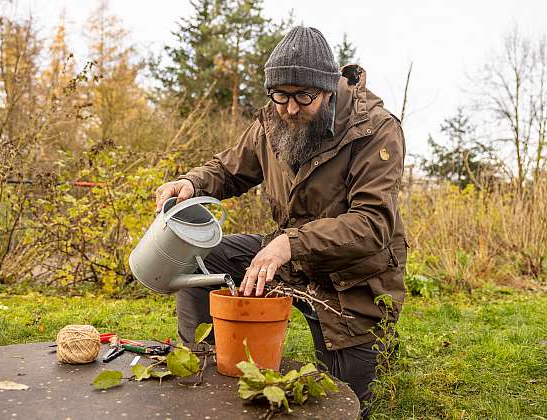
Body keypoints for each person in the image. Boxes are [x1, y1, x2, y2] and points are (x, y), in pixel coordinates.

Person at [154, 26, 408, 413]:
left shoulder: (376, 130)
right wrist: (191, 182)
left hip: (353, 279)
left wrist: (291, 243)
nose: (290, 109)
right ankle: (205, 367)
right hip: (287, 260)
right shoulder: (273, 123)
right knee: (203, 259)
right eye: (280, 96)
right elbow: (229, 169)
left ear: (330, 88)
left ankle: (364, 351)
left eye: (304, 97)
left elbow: (372, 224)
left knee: (346, 402)